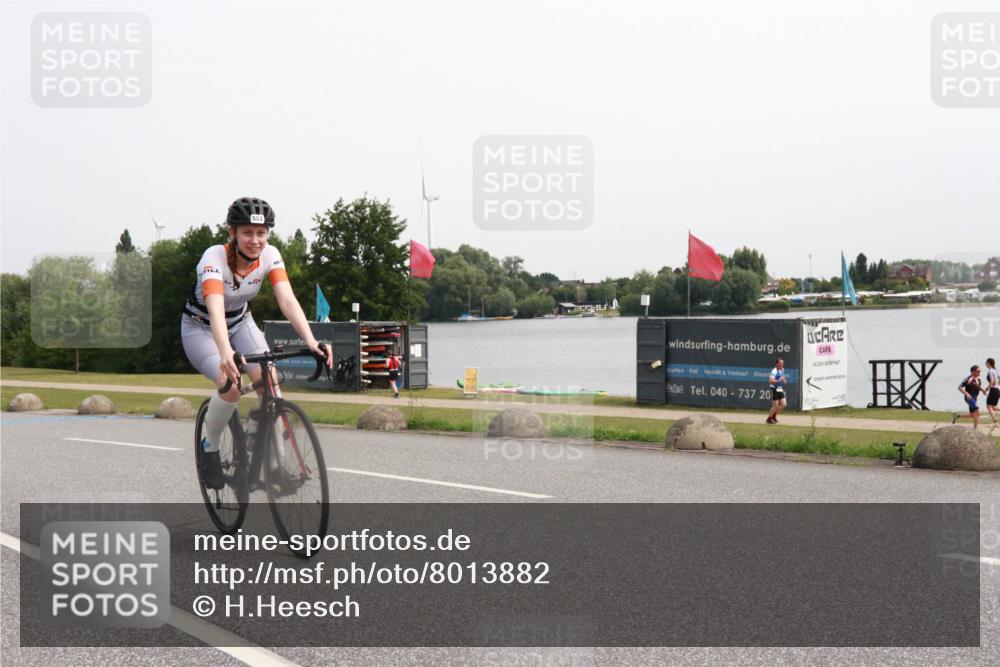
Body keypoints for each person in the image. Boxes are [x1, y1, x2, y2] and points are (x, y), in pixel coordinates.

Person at [181, 197, 332, 489]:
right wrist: (226, 353)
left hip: (241, 322)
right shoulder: (213, 258)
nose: (255, 240)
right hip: (200, 328)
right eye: (247, 233)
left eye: (261, 233)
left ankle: (272, 463)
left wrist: (313, 341)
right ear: (232, 233)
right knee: (231, 383)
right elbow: (214, 308)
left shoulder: (270, 255)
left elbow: (287, 300)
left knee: (270, 379)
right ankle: (208, 446)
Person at [952, 365, 984, 430]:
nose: (979, 373)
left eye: (980, 371)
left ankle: (957, 416)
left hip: (975, 397)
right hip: (969, 398)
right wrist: (966, 394)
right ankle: (975, 429)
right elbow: (959, 387)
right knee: (977, 413)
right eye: (978, 371)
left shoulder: (979, 378)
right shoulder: (968, 379)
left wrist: (983, 390)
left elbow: (977, 386)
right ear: (973, 372)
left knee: (972, 414)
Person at [766, 357, 786, 424]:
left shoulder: (782, 369)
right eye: (780, 363)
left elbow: (782, 378)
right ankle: (769, 419)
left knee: (783, 404)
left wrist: (784, 380)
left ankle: (774, 415)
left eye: (782, 363)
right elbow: (770, 381)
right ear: (777, 364)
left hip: (780, 388)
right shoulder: (774, 371)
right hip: (773, 388)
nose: (782, 364)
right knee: (775, 405)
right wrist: (778, 380)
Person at [984, 358, 999, 429]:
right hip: (998, 390)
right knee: (994, 407)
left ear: (989, 363)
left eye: (986, 363)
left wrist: (986, 389)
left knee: (988, 406)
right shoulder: (996, 371)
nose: (985, 364)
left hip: (993, 390)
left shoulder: (990, 371)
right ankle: (994, 422)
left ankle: (995, 423)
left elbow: (992, 381)